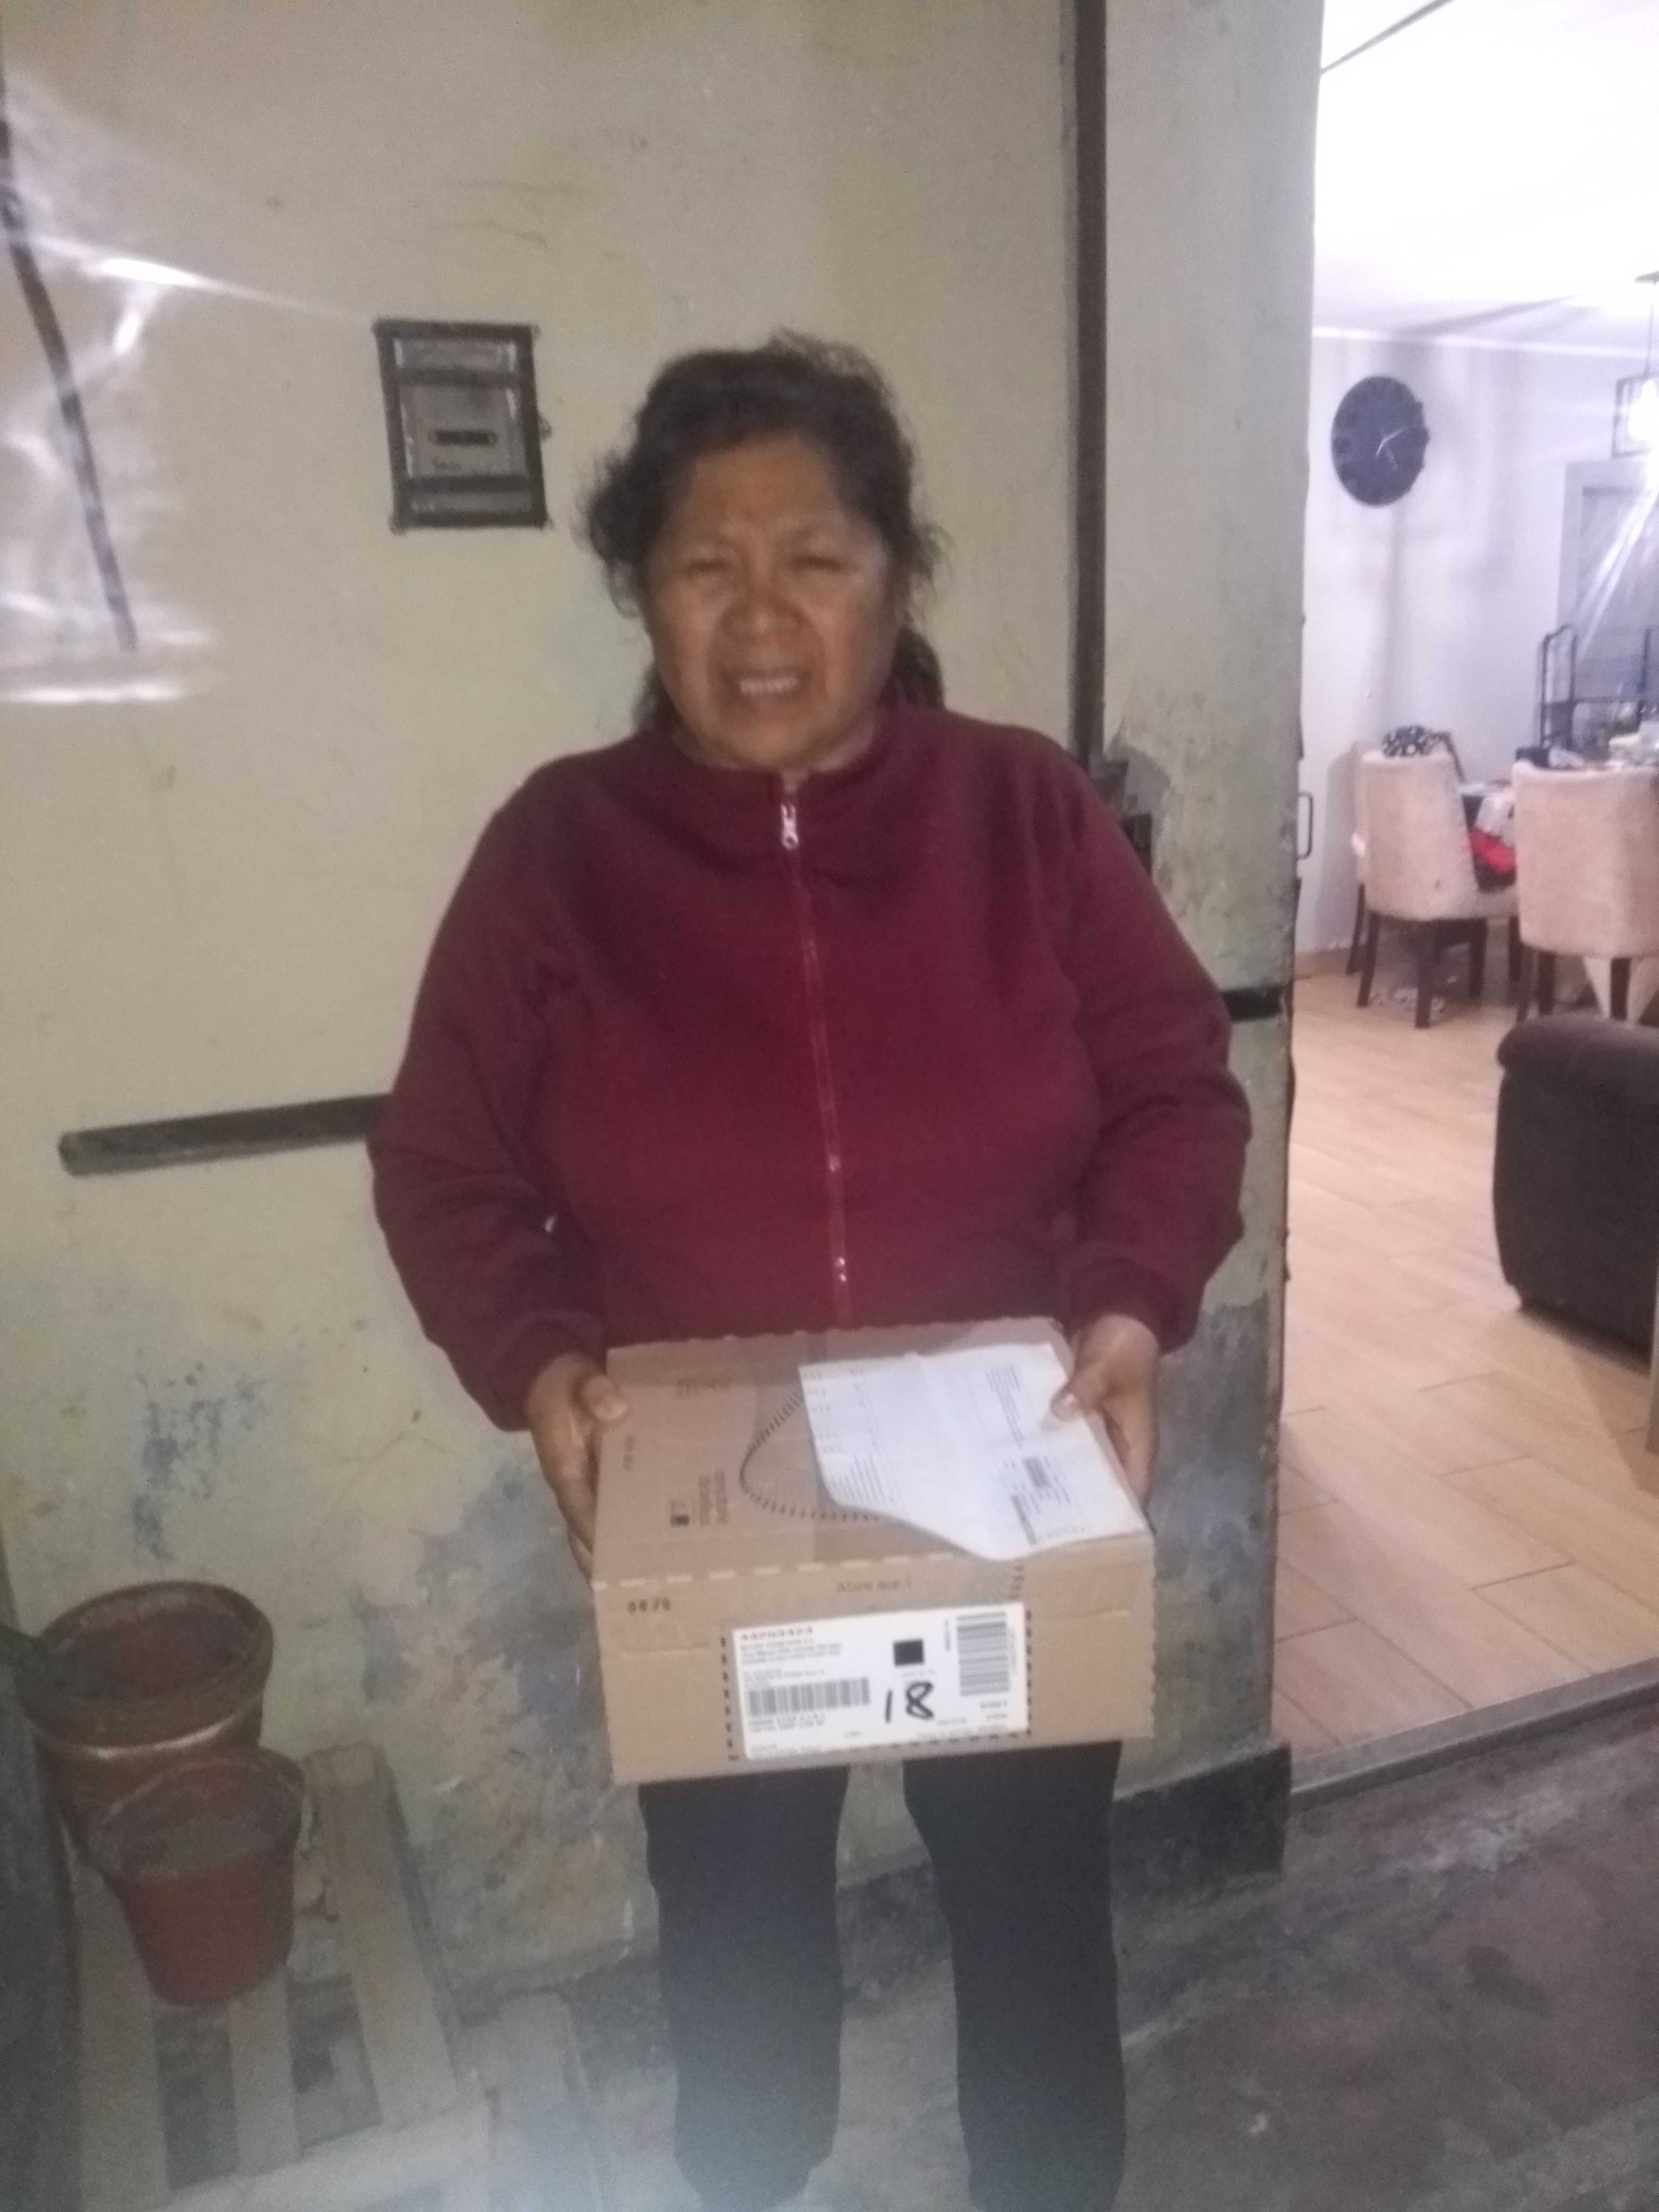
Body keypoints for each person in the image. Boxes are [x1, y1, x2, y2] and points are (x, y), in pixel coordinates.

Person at [370, 333, 1250, 2212]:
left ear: (898, 578)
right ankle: (750, 2176)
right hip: (715, 1523)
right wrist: (540, 1363)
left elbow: (1178, 1087)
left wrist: (1128, 1303)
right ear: (645, 592)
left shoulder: (1024, 815)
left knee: (1035, 1914)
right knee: (737, 1925)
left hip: (1004, 1494)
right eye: (707, 565)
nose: (762, 616)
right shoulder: (558, 853)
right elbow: (444, 1166)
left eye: (816, 560)